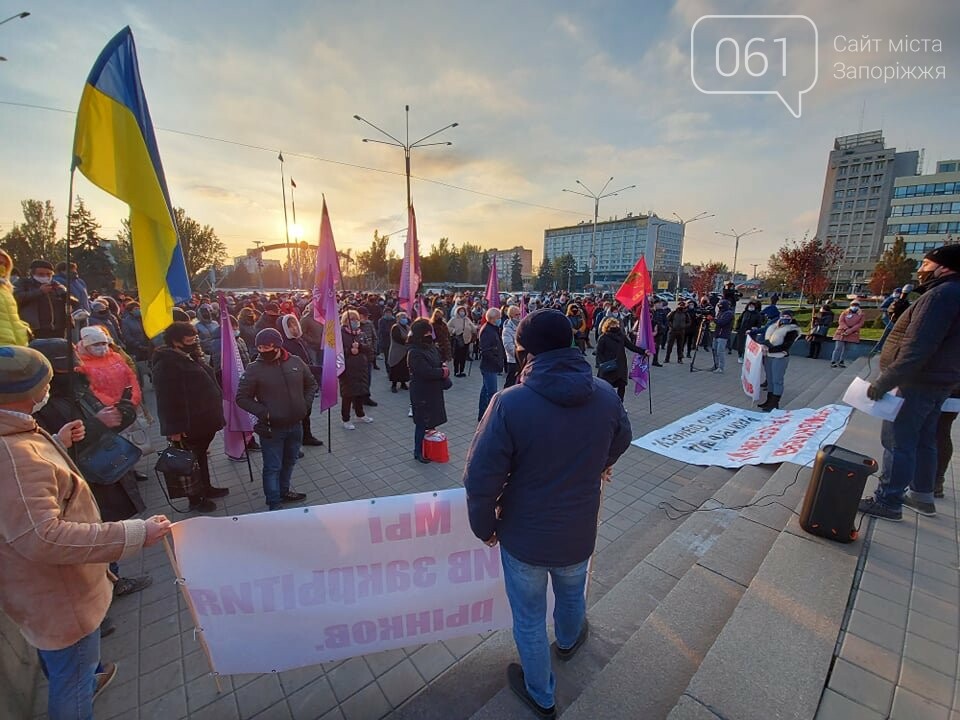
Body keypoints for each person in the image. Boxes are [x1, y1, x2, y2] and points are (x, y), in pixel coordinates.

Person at [463, 309, 632, 718]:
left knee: (529, 617)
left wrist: (483, 528)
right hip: (578, 532)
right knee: (573, 592)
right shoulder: (606, 395)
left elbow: (479, 479)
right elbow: (624, 437)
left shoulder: (509, 403)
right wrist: (598, 462)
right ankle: (571, 641)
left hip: (524, 537)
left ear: (527, 352)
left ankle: (541, 694)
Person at [0, 345, 172, 719]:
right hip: (58, 594)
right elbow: (43, 536)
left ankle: (87, 679)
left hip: (42, 593)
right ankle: (80, 691)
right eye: (45, 382)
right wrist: (133, 534)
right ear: (28, 393)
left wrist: (58, 443)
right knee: (71, 677)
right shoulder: (12, 454)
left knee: (64, 661)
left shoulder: (16, 433)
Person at [860, 244, 960, 521]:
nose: (920, 270)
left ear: (944, 267)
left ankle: (888, 501)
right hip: (938, 382)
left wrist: (885, 381)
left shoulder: (941, 295)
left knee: (897, 441)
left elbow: (918, 346)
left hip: (916, 381)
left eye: (925, 264)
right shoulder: (951, 293)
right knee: (924, 439)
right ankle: (922, 495)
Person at [152, 322, 230, 513]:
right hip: (188, 425)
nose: (194, 342)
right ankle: (195, 499)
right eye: (189, 340)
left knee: (200, 458)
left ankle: (207, 488)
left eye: (194, 338)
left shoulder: (190, 356)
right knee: (190, 463)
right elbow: (167, 400)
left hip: (203, 421)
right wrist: (174, 430)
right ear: (175, 342)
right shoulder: (167, 364)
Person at [236, 328, 316, 510]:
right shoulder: (254, 369)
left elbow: (311, 384)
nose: (263, 351)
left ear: (278, 346)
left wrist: (305, 404)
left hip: (296, 425)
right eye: (260, 347)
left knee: (290, 461)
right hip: (272, 428)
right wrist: (265, 413)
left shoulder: (296, 362)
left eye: (267, 347)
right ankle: (274, 502)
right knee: (272, 467)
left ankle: (284, 491)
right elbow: (241, 398)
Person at [407, 318, 449, 464]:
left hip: (434, 391)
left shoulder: (431, 347)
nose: (429, 334)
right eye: (427, 332)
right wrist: (442, 372)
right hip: (421, 393)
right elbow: (425, 371)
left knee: (431, 421)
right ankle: (418, 451)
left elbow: (438, 360)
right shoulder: (413, 352)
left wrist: (442, 365)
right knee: (421, 423)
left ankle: (429, 448)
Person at [279, 315, 324, 447]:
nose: (294, 328)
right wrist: (320, 369)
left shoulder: (297, 340)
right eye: (290, 326)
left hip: (304, 383)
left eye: (294, 324)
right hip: (293, 385)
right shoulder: (285, 345)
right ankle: (293, 443)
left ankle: (306, 436)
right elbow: (299, 366)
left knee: (306, 412)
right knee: (296, 415)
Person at [15, 260, 71, 340]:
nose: (45, 277)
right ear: (32, 274)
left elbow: (74, 301)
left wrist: (65, 293)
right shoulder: (23, 283)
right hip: (35, 329)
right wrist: (40, 292)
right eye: (41, 274)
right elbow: (17, 297)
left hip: (58, 329)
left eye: (48, 274)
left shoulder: (57, 285)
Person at [757, 310, 800, 412]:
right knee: (770, 380)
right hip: (769, 356)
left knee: (777, 381)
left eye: (788, 316)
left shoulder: (792, 329)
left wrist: (769, 349)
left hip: (780, 357)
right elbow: (768, 339)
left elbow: (786, 346)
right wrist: (763, 345)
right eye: (783, 316)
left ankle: (774, 403)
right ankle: (769, 401)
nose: (785, 318)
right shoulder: (774, 326)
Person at [339, 309, 375, 429]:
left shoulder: (361, 333)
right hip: (348, 369)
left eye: (356, 319)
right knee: (348, 395)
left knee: (360, 392)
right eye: (352, 319)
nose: (355, 322)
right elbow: (337, 351)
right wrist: (349, 350)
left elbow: (368, 347)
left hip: (361, 368)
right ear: (345, 321)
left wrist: (360, 347)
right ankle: (346, 419)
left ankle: (360, 414)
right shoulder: (341, 334)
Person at [596, 316, 642, 401]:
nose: (614, 327)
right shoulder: (603, 337)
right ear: (607, 326)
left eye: (616, 325)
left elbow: (631, 346)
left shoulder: (621, 336)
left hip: (620, 366)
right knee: (607, 388)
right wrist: (601, 364)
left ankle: (620, 404)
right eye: (612, 325)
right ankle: (608, 404)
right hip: (608, 366)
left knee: (621, 386)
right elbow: (599, 353)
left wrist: (643, 351)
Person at [478, 307, 505, 421]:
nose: (501, 320)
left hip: (490, 366)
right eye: (499, 318)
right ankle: (490, 418)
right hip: (489, 366)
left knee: (485, 391)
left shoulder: (492, 329)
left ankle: (482, 415)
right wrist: (497, 362)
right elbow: (486, 351)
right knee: (492, 393)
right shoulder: (487, 331)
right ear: (493, 319)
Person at [0, 249, 30, 346]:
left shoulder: (6, 290)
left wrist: (23, 328)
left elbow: (9, 316)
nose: (2, 267)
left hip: (15, 346)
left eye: (5, 265)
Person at [935, 388, 959, 499]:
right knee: (943, 431)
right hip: (954, 387)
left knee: (940, 432)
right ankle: (937, 480)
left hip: (939, 385)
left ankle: (933, 480)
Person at [830, 300, 864, 368]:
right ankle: (833, 361)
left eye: (856, 305)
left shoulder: (861, 314)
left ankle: (841, 361)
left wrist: (850, 330)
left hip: (853, 333)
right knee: (838, 348)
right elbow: (841, 321)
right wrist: (846, 328)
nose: (854, 307)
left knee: (847, 349)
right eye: (853, 305)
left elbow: (860, 324)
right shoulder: (845, 312)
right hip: (842, 332)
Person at [356, 306, 379, 406]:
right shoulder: (354, 326)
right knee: (358, 379)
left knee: (368, 378)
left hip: (369, 356)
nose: (365, 318)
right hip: (358, 358)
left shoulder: (369, 324)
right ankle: (356, 400)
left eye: (366, 316)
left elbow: (375, 337)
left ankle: (366, 397)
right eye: (363, 316)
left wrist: (373, 350)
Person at [447, 304, 477, 377]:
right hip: (458, 340)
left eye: (463, 311)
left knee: (463, 356)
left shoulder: (467, 319)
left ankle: (462, 370)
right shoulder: (453, 319)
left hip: (466, 340)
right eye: (460, 311)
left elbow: (473, 328)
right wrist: (454, 331)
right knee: (457, 356)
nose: (462, 312)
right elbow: (448, 327)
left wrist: (475, 330)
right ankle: (456, 371)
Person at [733, 299, 763, 364]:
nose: (751, 307)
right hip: (742, 332)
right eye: (750, 305)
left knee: (749, 346)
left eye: (752, 306)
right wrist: (737, 328)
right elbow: (739, 320)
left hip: (751, 333)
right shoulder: (745, 312)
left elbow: (759, 324)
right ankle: (740, 356)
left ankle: (749, 357)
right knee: (740, 345)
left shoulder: (757, 314)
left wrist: (754, 329)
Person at [388, 311, 411, 392]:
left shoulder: (408, 327)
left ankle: (403, 383)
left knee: (404, 368)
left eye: (405, 317)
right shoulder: (395, 327)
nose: (405, 319)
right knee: (396, 367)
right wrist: (407, 341)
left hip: (405, 352)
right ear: (398, 319)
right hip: (397, 351)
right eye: (403, 317)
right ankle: (394, 385)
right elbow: (397, 338)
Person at [712, 299, 734, 373]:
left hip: (723, 335)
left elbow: (722, 322)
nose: (719, 307)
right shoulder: (720, 312)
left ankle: (721, 367)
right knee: (714, 350)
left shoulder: (729, 313)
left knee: (720, 351)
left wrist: (713, 319)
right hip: (717, 333)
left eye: (720, 305)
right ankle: (716, 365)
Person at [502, 304, 522, 388]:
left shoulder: (521, 325)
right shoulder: (507, 329)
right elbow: (508, 346)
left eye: (519, 314)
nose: (518, 316)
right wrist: (520, 353)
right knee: (510, 382)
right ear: (511, 316)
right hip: (513, 360)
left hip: (522, 360)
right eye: (516, 315)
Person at [377, 304, 396, 370]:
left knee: (394, 357)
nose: (388, 314)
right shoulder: (381, 320)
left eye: (389, 312)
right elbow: (381, 331)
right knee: (387, 357)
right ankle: (388, 370)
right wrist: (390, 331)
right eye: (387, 313)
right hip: (385, 342)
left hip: (394, 341)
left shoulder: (394, 320)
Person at [651, 299, 669, 367]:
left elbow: (666, 322)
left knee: (657, 347)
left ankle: (655, 361)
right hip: (650, 332)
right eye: (658, 303)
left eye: (660, 303)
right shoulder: (651, 311)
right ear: (655, 304)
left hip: (659, 332)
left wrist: (663, 328)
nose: (660, 305)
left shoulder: (663, 312)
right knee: (647, 347)